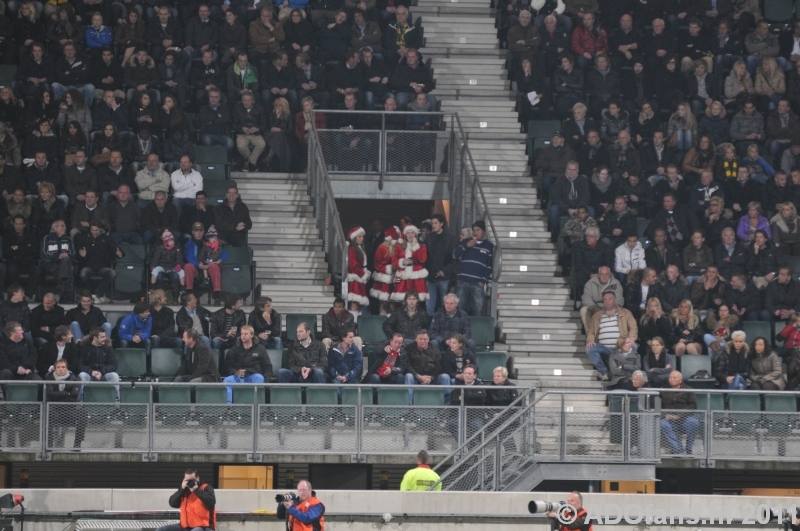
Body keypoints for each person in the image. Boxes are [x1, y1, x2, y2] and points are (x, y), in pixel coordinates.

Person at [453, 220, 494, 316]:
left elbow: (489, 265)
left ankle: (475, 329)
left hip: (477, 283)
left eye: (478, 230)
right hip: (462, 280)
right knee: (460, 308)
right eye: (474, 230)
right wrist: (466, 246)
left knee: (478, 308)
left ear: (484, 231)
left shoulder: (489, 246)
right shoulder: (466, 241)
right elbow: (454, 255)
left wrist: (483, 280)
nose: (475, 232)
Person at [222, 325, 273, 403]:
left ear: (252, 335)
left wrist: (267, 380)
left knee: (259, 378)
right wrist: (235, 372)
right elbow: (227, 366)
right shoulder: (234, 349)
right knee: (227, 380)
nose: (243, 336)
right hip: (238, 377)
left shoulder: (260, 349)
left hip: (253, 375)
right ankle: (229, 408)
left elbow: (268, 366)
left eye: (246, 334)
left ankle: (256, 405)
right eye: (242, 334)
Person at [75, 220, 122, 304]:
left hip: (102, 267)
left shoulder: (107, 239)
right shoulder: (83, 239)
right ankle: (93, 294)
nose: (94, 232)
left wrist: (119, 254)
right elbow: (78, 257)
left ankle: (96, 294)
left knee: (112, 273)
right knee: (83, 273)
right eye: (92, 230)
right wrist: (82, 256)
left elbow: (116, 249)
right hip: (88, 266)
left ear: (100, 229)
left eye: (96, 230)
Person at [659, 370, 700, 456]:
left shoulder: (688, 390)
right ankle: (678, 449)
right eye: (670, 378)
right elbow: (658, 406)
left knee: (694, 422)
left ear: (680, 380)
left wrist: (679, 416)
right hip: (668, 419)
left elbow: (693, 406)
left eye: (674, 378)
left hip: (684, 419)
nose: (672, 379)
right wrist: (665, 415)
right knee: (662, 424)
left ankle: (689, 450)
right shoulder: (662, 390)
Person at [404, 329, 449, 404]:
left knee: (445, 377)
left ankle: (447, 405)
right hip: (416, 377)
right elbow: (408, 365)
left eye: (425, 339)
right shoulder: (409, 349)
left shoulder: (435, 350)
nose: (423, 341)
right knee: (408, 376)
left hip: (432, 378)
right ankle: (409, 405)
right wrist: (419, 376)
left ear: (429, 340)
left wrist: (430, 377)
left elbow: (439, 367)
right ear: (416, 339)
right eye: (420, 339)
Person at [77, 326, 120, 401]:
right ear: (95, 338)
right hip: (89, 374)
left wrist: (101, 372)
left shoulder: (108, 347)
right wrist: (91, 372)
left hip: (103, 374)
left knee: (114, 376)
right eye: (102, 337)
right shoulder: (84, 347)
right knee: (82, 375)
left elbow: (114, 364)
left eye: (105, 336)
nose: (105, 338)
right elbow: (79, 365)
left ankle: (116, 403)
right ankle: (80, 402)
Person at [210, 294, 246, 369]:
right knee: (215, 341)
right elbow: (213, 333)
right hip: (222, 339)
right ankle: (219, 367)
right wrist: (225, 335)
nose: (241, 304)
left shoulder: (241, 314)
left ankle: (236, 367)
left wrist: (232, 336)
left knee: (239, 339)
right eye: (239, 303)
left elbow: (243, 330)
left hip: (234, 338)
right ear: (233, 306)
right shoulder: (217, 315)